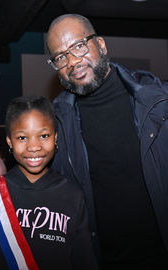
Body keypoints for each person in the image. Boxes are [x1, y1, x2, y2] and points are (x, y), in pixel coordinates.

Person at [46, 14, 168, 270]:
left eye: (79, 46)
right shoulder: (56, 123)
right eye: (60, 57)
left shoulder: (158, 102)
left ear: (100, 44)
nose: (72, 61)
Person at [0, 96, 98, 270]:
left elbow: (84, 261)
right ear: (10, 142)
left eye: (44, 135)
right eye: (22, 138)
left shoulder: (72, 195)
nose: (34, 146)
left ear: (55, 138)